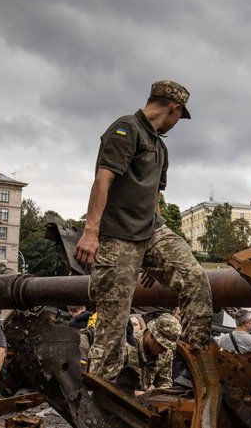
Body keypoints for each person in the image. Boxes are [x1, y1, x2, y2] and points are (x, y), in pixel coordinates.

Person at [73, 80, 213, 383]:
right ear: (173, 109)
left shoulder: (160, 148)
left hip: (151, 232)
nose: (177, 124)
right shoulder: (126, 130)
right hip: (118, 238)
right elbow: (103, 180)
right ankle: (99, 397)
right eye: (179, 117)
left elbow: (154, 200)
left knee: (195, 278)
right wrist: (90, 232)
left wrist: (155, 256)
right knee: (112, 328)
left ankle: (191, 370)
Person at [120, 313, 180, 393]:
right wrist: (133, 393)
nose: (165, 350)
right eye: (162, 345)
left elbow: (165, 381)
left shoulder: (166, 353)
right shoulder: (127, 346)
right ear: (152, 335)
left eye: (168, 347)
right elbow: (110, 381)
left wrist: (160, 393)